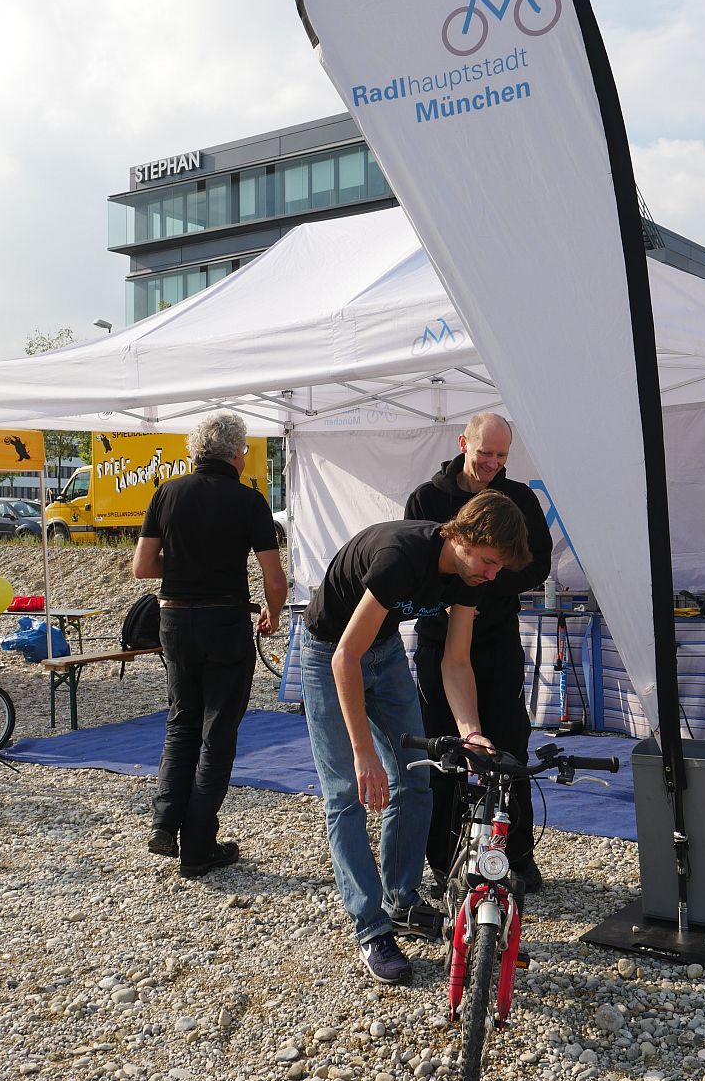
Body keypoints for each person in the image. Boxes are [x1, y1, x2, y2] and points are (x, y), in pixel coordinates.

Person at [300, 489, 531, 984]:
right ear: (464, 536)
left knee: (416, 778)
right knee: (346, 793)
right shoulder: (401, 556)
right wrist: (363, 752)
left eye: (499, 567)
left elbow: (456, 661)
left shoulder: (471, 577)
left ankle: (401, 900)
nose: (493, 575)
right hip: (328, 651)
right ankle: (371, 928)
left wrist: (471, 733)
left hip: (383, 652)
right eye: (489, 561)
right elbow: (344, 657)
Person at [132, 411, 286, 879]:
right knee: (217, 730)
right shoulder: (249, 500)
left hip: (175, 618)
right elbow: (274, 577)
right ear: (237, 454)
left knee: (182, 720)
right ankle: (198, 846)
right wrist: (273, 612)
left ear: (196, 451)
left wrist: (184, 568)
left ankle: (164, 821)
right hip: (225, 620)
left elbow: (142, 567)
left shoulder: (167, 492)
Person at [405, 412, 552, 892]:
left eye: (501, 455)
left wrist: (482, 585)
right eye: (485, 453)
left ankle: (516, 856)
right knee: (445, 749)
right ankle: (445, 860)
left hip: (496, 638)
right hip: (437, 640)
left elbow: (538, 564)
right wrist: (457, 593)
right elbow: (420, 563)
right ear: (463, 443)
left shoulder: (521, 498)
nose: (493, 463)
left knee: (509, 744)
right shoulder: (427, 498)